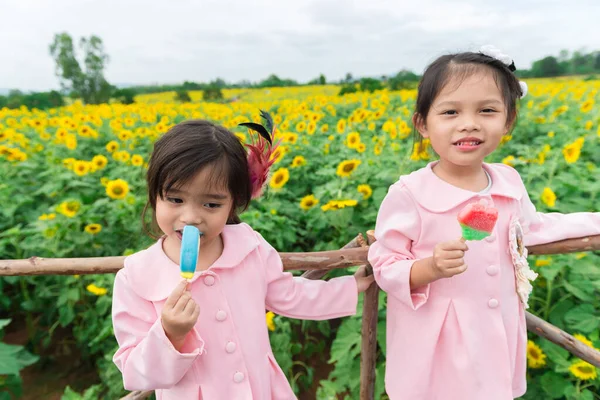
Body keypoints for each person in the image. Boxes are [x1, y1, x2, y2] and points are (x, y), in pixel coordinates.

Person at [368, 45, 600, 400]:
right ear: (422, 124)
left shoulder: (507, 181)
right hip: (439, 340)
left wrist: (593, 222)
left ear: (507, 121)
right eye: (450, 112)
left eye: (487, 110)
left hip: (496, 330)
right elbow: (384, 264)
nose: (470, 123)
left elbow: (533, 228)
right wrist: (428, 267)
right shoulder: (409, 194)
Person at [112, 116, 374, 399]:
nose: (190, 218)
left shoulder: (249, 247)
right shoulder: (137, 277)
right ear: (154, 195)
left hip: (260, 389)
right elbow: (134, 371)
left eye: (211, 204)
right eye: (175, 200)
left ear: (235, 203)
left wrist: (351, 285)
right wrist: (170, 334)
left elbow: (292, 294)